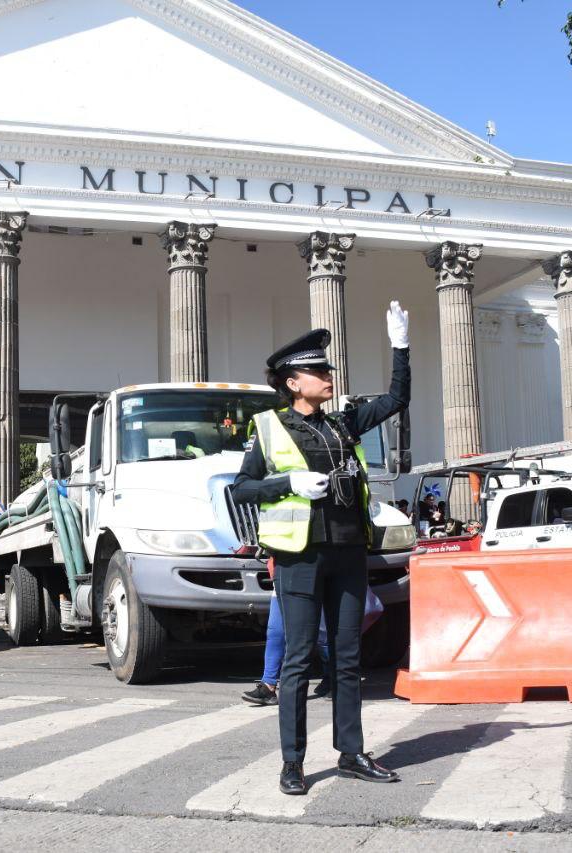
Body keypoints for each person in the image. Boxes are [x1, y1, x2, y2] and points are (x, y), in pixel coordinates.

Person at [231, 301, 410, 796]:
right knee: (298, 659)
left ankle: (351, 753)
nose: (328, 376)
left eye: (327, 369)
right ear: (292, 382)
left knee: (348, 658)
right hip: (299, 557)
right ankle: (293, 762)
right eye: (318, 370)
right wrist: (287, 482)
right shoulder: (268, 428)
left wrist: (401, 346)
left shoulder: (343, 423)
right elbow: (242, 489)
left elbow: (397, 398)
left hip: (350, 552)